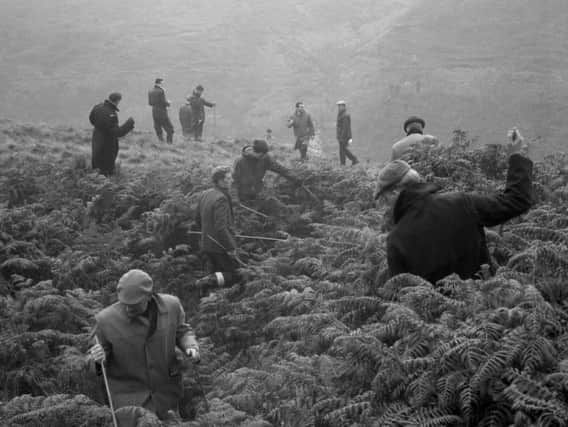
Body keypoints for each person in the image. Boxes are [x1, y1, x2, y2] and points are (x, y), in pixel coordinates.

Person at [376, 127, 533, 284]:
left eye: (383, 199)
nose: (384, 206)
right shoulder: (460, 202)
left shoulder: (396, 240)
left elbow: (402, 297)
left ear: (394, 192)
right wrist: (516, 156)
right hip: (487, 301)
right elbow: (516, 201)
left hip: (439, 308)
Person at [88, 269, 200, 422]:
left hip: (167, 396)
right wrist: (97, 359)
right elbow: (96, 361)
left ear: (148, 296)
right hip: (130, 403)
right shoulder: (105, 320)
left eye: (133, 305)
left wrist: (190, 346)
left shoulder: (171, 305)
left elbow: (182, 331)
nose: (128, 308)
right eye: (124, 304)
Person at [194, 167, 239, 290]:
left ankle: (208, 292)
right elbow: (221, 227)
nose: (232, 180)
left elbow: (197, 219)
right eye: (228, 178)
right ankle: (203, 283)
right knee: (234, 275)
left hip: (206, 243)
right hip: (220, 246)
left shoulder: (205, 193)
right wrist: (230, 247)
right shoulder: (221, 198)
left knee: (217, 272)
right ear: (220, 181)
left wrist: (206, 234)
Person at [232, 139, 301, 214]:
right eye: (261, 154)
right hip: (242, 195)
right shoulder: (240, 162)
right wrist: (234, 198)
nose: (263, 156)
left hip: (258, 192)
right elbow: (234, 182)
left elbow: (280, 169)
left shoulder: (265, 157)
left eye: (264, 154)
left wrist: (295, 178)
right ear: (254, 152)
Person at [89, 92, 135, 176]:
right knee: (107, 170)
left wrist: (100, 128)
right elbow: (117, 132)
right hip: (107, 144)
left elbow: (91, 120)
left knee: (96, 168)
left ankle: (94, 184)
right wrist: (129, 124)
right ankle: (106, 186)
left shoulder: (97, 107)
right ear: (117, 101)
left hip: (96, 140)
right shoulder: (111, 114)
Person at [148, 78, 174, 143]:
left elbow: (150, 103)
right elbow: (163, 103)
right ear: (160, 83)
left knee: (158, 128)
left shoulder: (150, 91)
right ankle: (169, 144)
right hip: (162, 112)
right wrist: (168, 103)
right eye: (162, 83)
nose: (163, 84)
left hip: (154, 112)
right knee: (170, 129)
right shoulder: (161, 91)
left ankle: (161, 143)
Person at [336, 100, 359, 166]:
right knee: (343, 150)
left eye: (340, 106)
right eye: (338, 106)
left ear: (344, 106)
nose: (339, 107)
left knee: (343, 151)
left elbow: (345, 128)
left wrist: (342, 138)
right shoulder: (341, 114)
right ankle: (353, 160)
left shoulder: (345, 115)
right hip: (341, 136)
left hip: (344, 137)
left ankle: (352, 160)